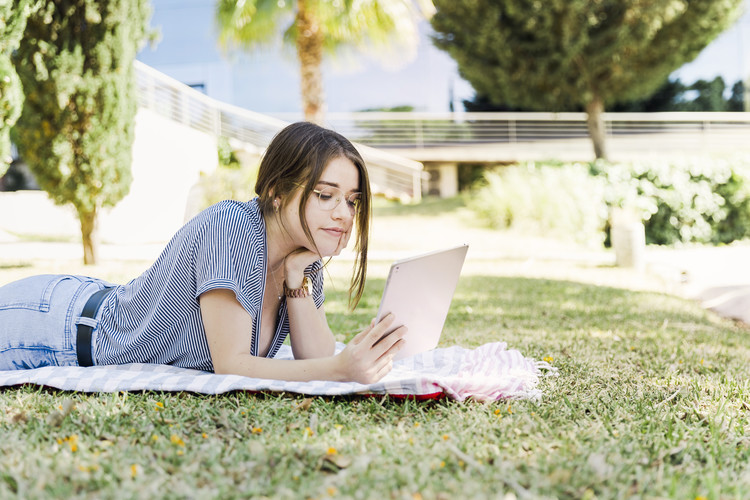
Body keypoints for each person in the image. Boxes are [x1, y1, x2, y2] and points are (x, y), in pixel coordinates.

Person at [0, 122, 406, 383]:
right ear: (276, 193)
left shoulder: (301, 255)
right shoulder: (231, 228)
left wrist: (298, 280)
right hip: (52, 327)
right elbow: (234, 364)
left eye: (352, 201)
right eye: (325, 195)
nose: (344, 214)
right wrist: (340, 369)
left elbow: (314, 357)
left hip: (88, 306)